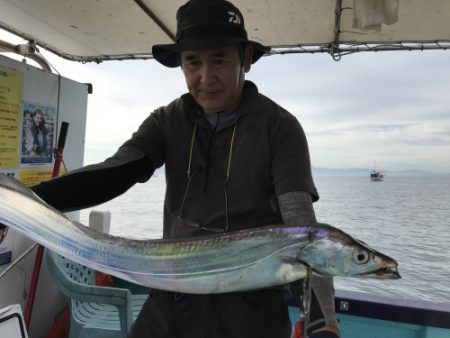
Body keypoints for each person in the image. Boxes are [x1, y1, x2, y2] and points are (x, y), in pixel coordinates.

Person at [31, 0, 340, 337]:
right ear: (181, 64)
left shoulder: (279, 127)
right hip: (174, 290)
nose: (206, 77)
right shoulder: (167, 120)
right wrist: (25, 201)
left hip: (252, 304)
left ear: (246, 60)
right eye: (193, 62)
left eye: (219, 60)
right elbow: (117, 172)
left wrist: (322, 321)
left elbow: (301, 227)